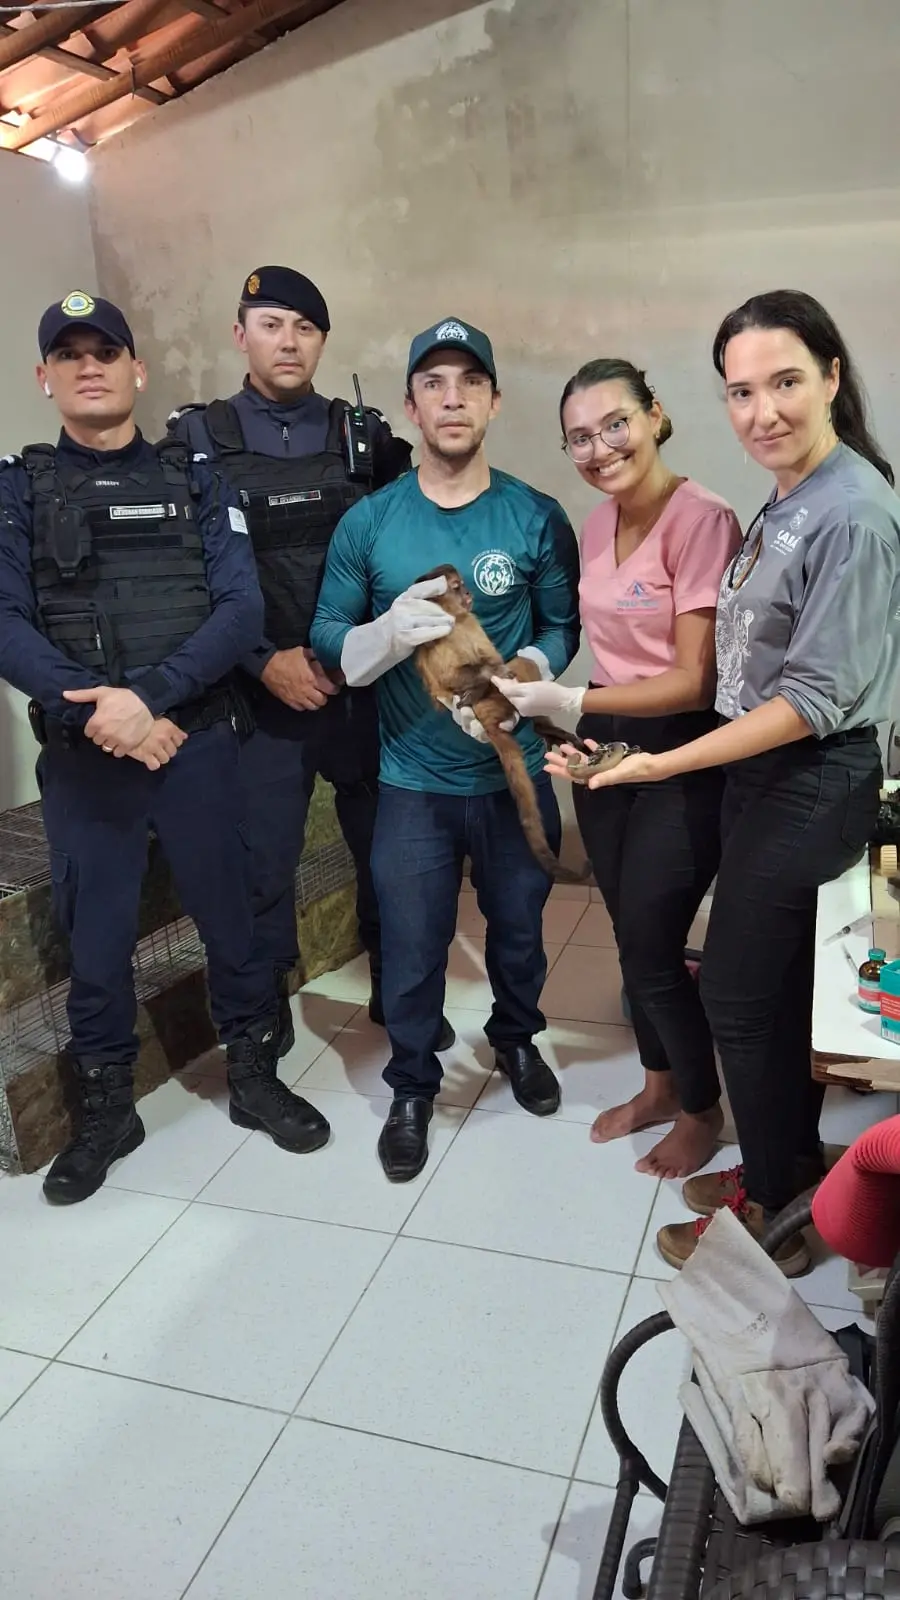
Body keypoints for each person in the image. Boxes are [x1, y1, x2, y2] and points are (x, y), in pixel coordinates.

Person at [547, 290, 900, 1274]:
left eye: (784, 382)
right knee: (769, 990)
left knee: (739, 996)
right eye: (741, 391)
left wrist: (661, 760)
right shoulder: (792, 495)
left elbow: (812, 699)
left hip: (809, 775)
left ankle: (779, 1212)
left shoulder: (853, 511)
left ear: (831, 375)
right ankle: (789, 1178)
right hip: (760, 772)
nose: (761, 411)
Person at [0, 291, 330, 1206]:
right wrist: (101, 715)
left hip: (196, 741)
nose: (90, 366)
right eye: (70, 355)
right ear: (44, 377)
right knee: (96, 940)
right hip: (87, 757)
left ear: (137, 369)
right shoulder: (18, 487)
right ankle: (107, 1110)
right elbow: (7, 622)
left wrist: (145, 700)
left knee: (235, 920)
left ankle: (253, 1075)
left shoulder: (196, 477)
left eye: (106, 351)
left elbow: (240, 611)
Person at [310, 318, 581, 1181]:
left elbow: (562, 624)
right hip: (411, 781)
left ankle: (517, 1039)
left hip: (510, 775)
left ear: (494, 402)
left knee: (520, 932)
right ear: (411, 405)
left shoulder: (535, 515)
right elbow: (329, 637)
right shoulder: (371, 522)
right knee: (413, 943)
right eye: (434, 383)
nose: (453, 398)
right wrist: (386, 634)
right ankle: (413, 1086)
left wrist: (530, 669)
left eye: (470, 382)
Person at [166, 266, 453, 1055]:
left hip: (365, 690)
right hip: (258, 696)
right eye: (270, 324)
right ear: (241, 335)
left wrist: (364, 652)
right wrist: (263, 662)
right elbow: (184, 578)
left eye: (304, 327)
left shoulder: (366, 439)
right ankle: (264, 1019)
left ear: (323, 341)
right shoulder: (193, 443)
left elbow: (408, 549)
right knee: (261, 869)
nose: (287, 341)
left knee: (393, 858)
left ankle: (401, 995)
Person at [495, 359, 741, 1180]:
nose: (599, 449)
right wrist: (578, 722)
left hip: (681, 747)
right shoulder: (597, 522)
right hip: (608, 738)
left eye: (615, 424)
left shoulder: (703, 519)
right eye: (579, 438)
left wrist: (570, 700)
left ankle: (702, 1108)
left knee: (654, 942)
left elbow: (695, 679)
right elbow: (607, 655)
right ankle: (660, 1085)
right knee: (627, 936)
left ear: (655, 415)